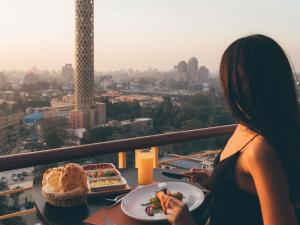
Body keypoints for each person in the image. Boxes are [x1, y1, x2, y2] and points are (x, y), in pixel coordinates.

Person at [165, 34, 300, 225]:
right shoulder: (247, 126)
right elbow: (248, 196)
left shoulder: (261, 151)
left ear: (240, 84)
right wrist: (220, 184)